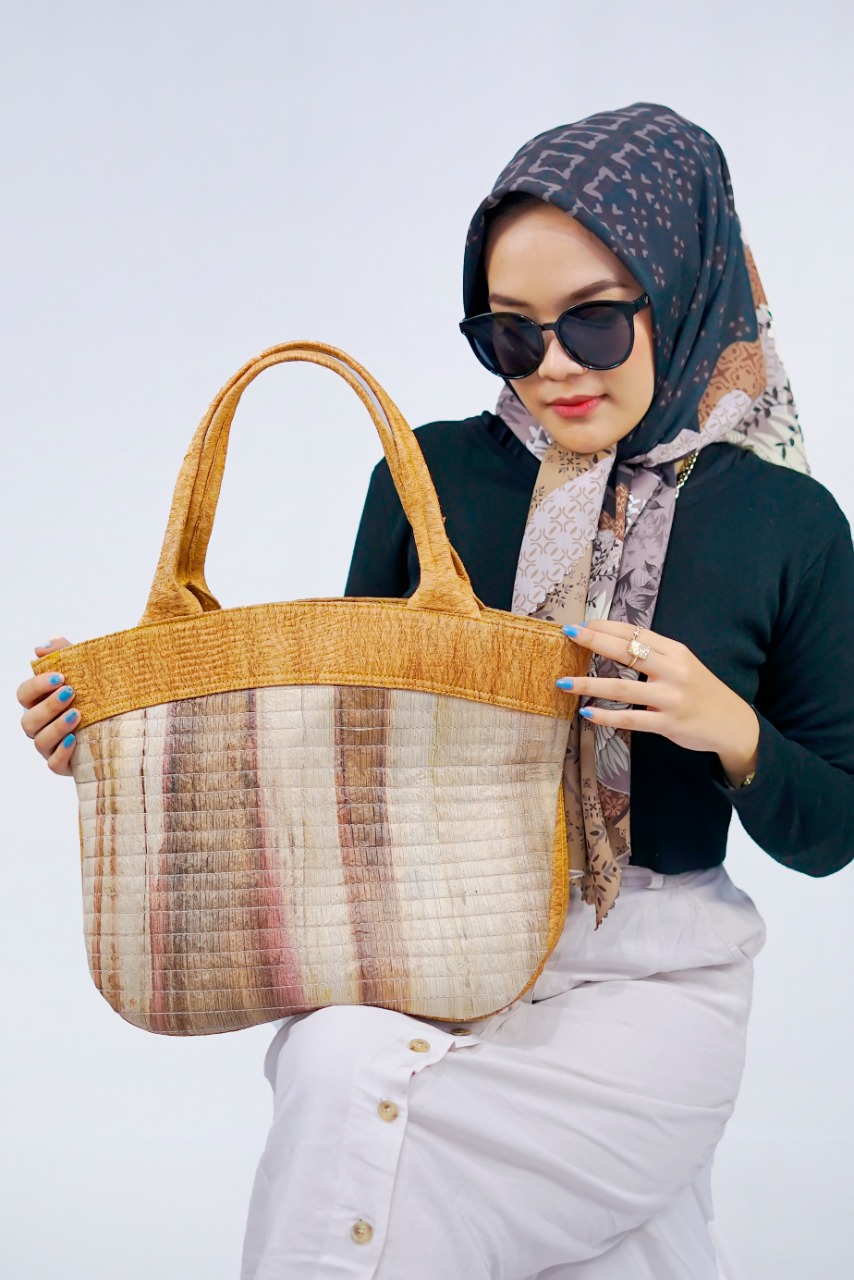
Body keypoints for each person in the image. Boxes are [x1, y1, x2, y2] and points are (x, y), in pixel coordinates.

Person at [17, 102, 854, 1279]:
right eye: (509, 333)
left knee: (361, 1116)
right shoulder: (431, 476)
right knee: (338, 1060)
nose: (552, 365)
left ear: (682, 285)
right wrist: (120, 743)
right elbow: (334, 753)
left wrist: (729, 729)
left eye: (595, 321)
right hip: (428, 944)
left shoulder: (784, 522)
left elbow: (832, 829)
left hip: (651, 980)